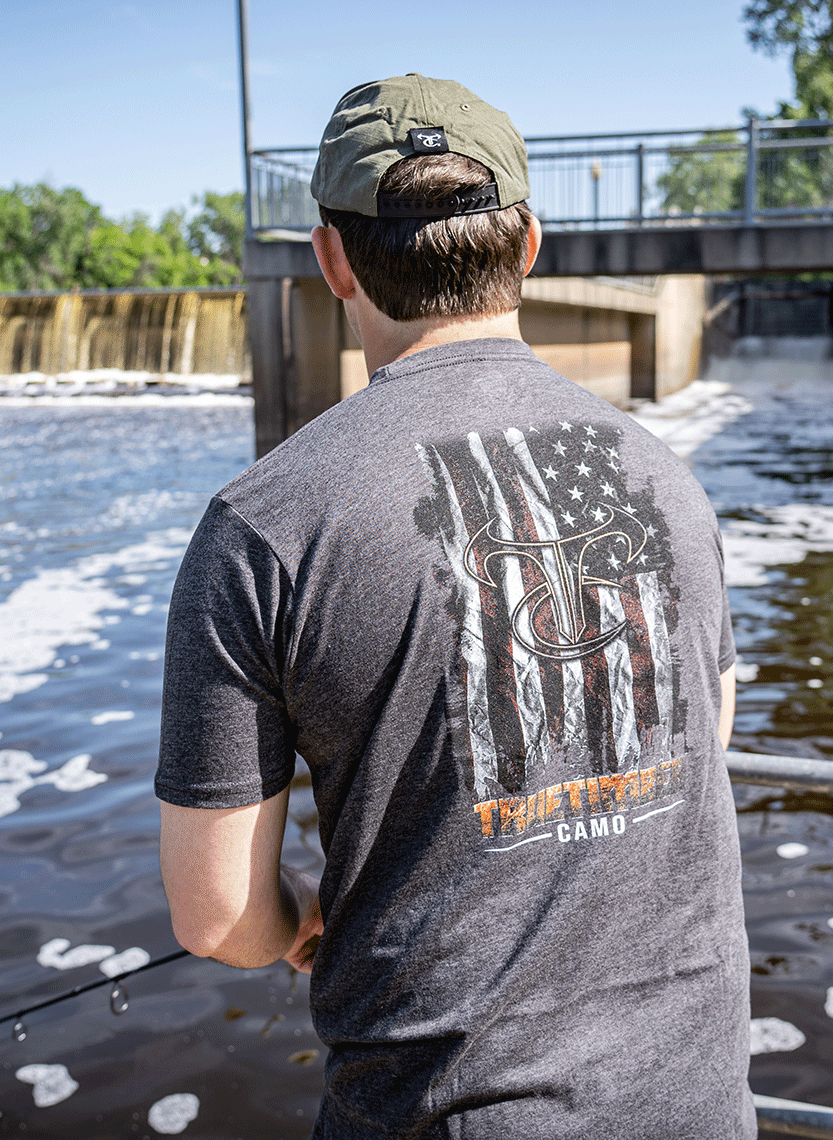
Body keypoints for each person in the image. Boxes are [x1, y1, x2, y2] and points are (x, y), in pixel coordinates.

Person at [156, 73, 755, 1140]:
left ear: (331, 257)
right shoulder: (668, 476)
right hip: (696, 1101)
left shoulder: (265, 525)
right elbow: (705, 728)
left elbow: (216, 915)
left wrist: (297, 919)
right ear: (527, 245)